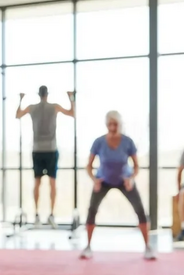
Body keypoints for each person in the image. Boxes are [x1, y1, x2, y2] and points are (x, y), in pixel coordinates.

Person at [80, 111, 155, 261]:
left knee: (140, 211)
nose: (113, 127)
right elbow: (88, 166)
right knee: (92, 210)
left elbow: (136, 166)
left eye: (115, 124)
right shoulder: (99, 142)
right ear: (106, 125)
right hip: (103, 180)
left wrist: (131, 179)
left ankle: (147, 247)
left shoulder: (127, 142)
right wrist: (94, 180)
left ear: (119, 124)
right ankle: (87, 246)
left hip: (124, 181)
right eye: (110, 124)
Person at [16, 86, 75, 228]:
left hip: (44, 150)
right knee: (46, 183)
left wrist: (20, 100)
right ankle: (43, 216)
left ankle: (44, 216)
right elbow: (72, 113)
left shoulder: (34, 108)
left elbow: (18, 115)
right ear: (47, 94)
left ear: (39, 94)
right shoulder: (53, 107)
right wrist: (71, 97)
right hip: (45, 150)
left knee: (43, 183)